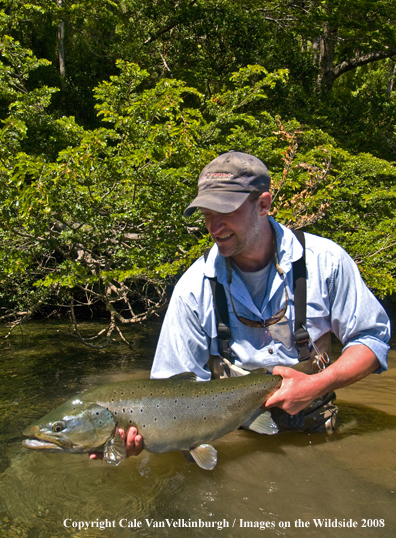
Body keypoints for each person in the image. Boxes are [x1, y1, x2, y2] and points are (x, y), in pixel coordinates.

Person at [90, 151, 391, 459]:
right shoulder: (194, 288)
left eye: (226, 212)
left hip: (317, 427)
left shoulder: (326, 263)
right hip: (234, 436)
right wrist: (143, 434)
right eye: (207, 214)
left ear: (263, 204)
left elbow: (372, 339)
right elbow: (169, 392)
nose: (214, 226)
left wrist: (316, 385)